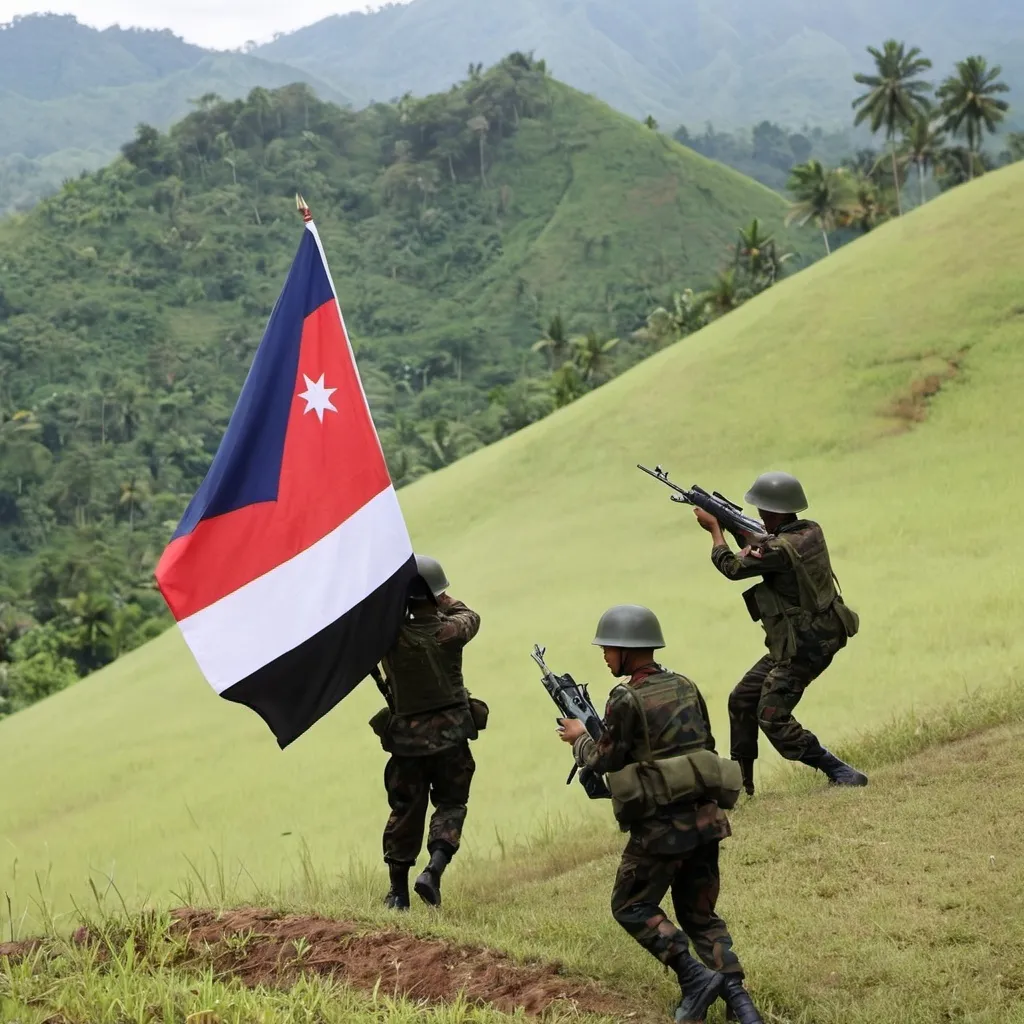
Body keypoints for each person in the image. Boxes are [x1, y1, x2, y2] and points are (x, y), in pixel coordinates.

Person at [557, 605, 763, 1024]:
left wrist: (580, 739)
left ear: (627, 651)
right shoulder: (685, 685)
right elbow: (700, 742)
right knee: (700, 914)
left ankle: (693, 977)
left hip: (663, 829)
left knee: (631, 905)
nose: (604, 656)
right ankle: (743, 1008)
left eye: (608, 648)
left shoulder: (625, 698)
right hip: (706, 819)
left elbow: (607, 759)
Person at [692, 471, 868, 795]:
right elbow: (764, 547)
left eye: (762, 509)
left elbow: (731, 568)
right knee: (741, 699)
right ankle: (740, 787)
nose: (758, 514)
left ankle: (839, 770)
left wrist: (716, 530)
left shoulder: (779, 549)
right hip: (801, 640)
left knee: (771, 716)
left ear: (773, 512)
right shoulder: (809, 531)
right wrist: (740, 532)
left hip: (804, 646)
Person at [369, 554, 486, 910]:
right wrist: (441, 598)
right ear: (436, 596)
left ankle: (398, 893)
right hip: (452, 738)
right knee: (451, 804)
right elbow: (470, 614)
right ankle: (433, 871)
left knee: (405, 811)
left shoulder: (387, 636)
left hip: (407, 744)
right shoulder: (452, 630)